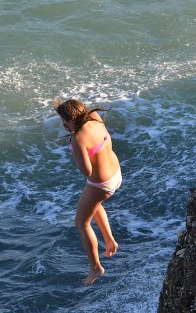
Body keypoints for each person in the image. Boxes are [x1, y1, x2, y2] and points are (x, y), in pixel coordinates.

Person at [54, 97, 121, 285]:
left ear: (69, 121)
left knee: (81, 223)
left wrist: (75, 152)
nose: (64, 126)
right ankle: (109, 241)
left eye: (64, 122)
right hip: (116, 173)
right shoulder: (94, 117)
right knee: (94, 205)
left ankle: (95, 268)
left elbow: (86, 171)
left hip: (101, 184)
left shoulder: (77, 138)